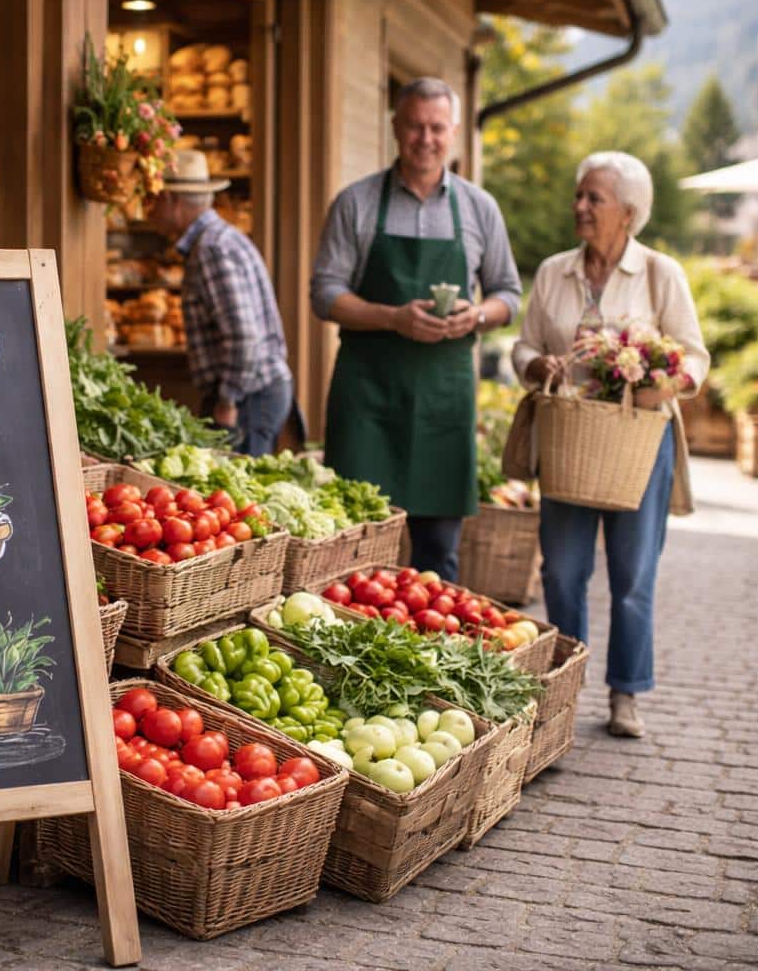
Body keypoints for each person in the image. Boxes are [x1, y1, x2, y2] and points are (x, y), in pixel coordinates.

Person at [511, 151, 710, 739]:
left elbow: (694, 355)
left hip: (638, 447)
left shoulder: (659, 274)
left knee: (632, 575)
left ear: (628, 212)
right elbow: (520, 349)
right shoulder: (553, 272)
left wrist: (662, 385)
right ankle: (563, 691)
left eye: (593, 198)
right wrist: (535, 363)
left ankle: (625, 693)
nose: (580, 207)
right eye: (579, 195)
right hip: (572, 442)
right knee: (564, 574)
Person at [311, 77, 523, 579]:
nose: (425, 139)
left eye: (436, 128)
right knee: (356, 556)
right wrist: (392, 318)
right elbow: (324, 293)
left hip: (443, 405)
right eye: (414, 126)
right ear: (395, 127)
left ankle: (429, 657)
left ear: (452, 132)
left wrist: (477, 315)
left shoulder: (478, 208)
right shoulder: (356, 203)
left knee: (438, 561)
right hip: (368, 401)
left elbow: (508, 294)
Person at [146, 149, 294, 456]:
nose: (147, 210)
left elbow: (243, 336)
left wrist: (227, 401)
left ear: (173, 201)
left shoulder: (212, 250)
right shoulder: (219, 239)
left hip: (247, 399)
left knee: (242, 495)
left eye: (154, 199)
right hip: (252, 392)